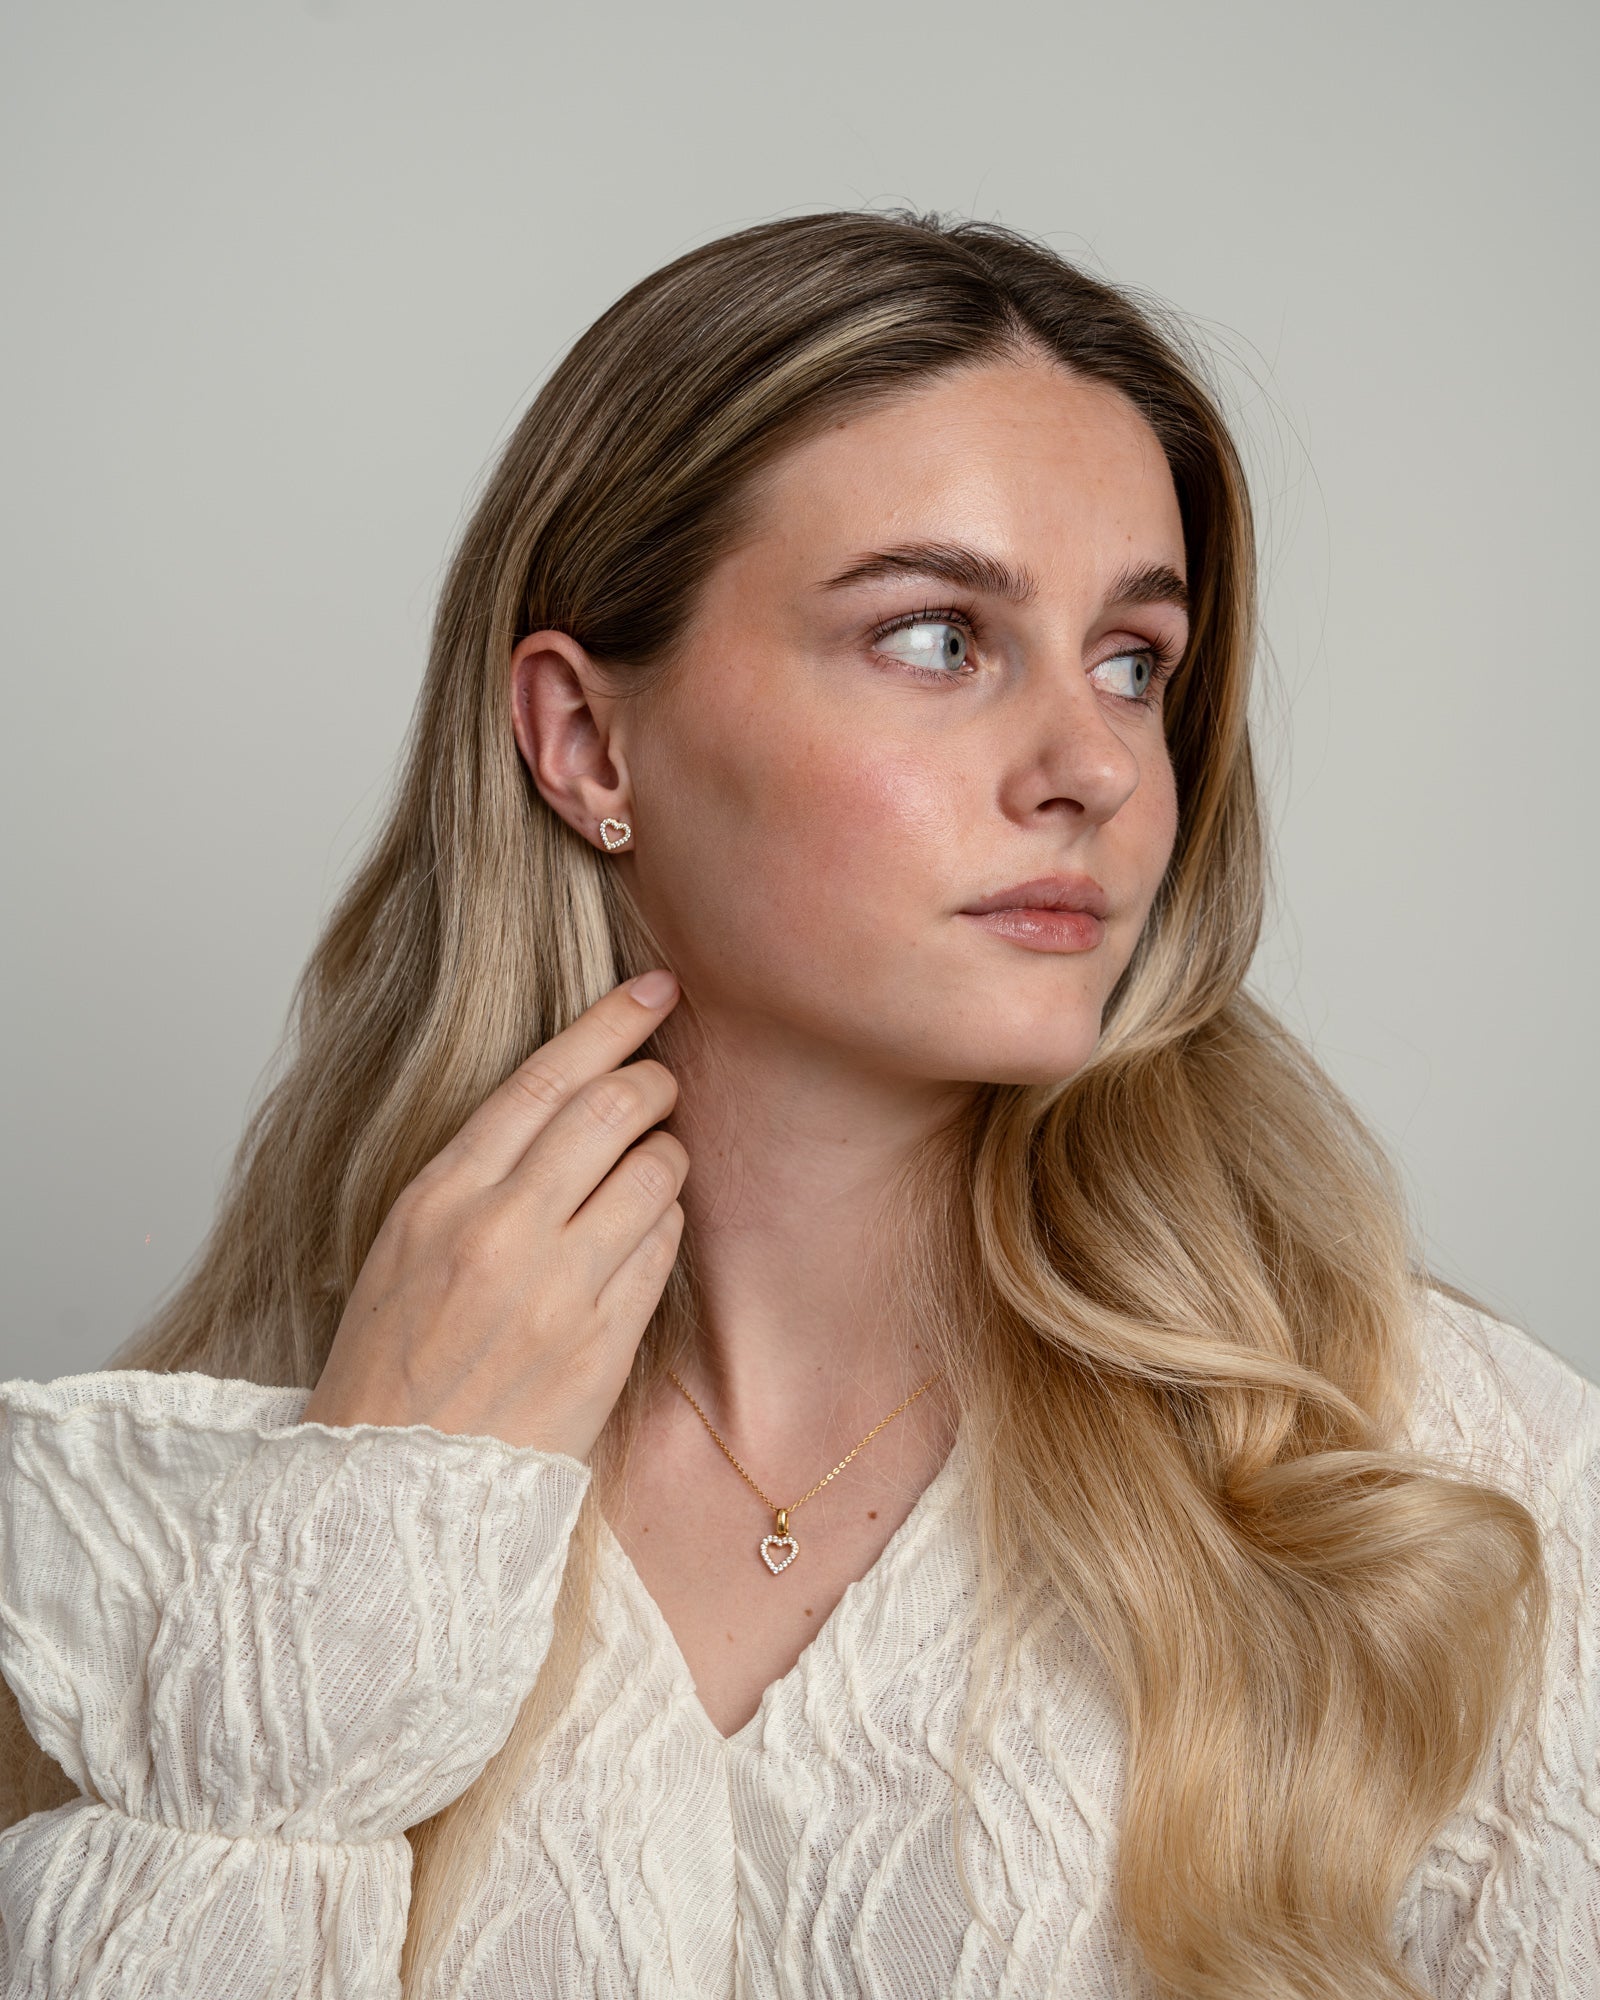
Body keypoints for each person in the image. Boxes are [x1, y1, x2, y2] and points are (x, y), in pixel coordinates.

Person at [0, 208, 1594, 2000]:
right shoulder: (216, 1483)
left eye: (1134, 660)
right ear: (586, 741)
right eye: (936, 638)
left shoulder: (1430, 1486)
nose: (1092, 767)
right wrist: (365, 1542)